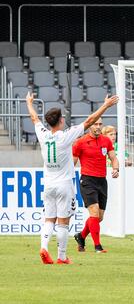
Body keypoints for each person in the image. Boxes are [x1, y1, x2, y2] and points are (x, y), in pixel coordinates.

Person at [27, 92, 118, 265]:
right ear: (61, 121)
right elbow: (90, 120)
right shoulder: (66, 136)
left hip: (48, 185)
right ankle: (62, 257)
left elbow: (33, 118)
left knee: (48, 219)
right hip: (64, 185)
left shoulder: (43, 134)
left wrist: (29, 103)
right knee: (63, 222)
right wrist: (105, 105)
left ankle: (44, 247)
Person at [72, 119, 119, 254]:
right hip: (87, 181)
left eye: (100, 124)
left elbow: (113, 158)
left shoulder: (106, 141)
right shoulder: (80, 142)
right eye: (95, 124)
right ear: (89, 126)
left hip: (102, 181)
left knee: (99, 217)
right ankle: (97, 246)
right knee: (94, 212)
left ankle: (80, 236)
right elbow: (72, 163)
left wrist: (116, 168)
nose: (98, 127)